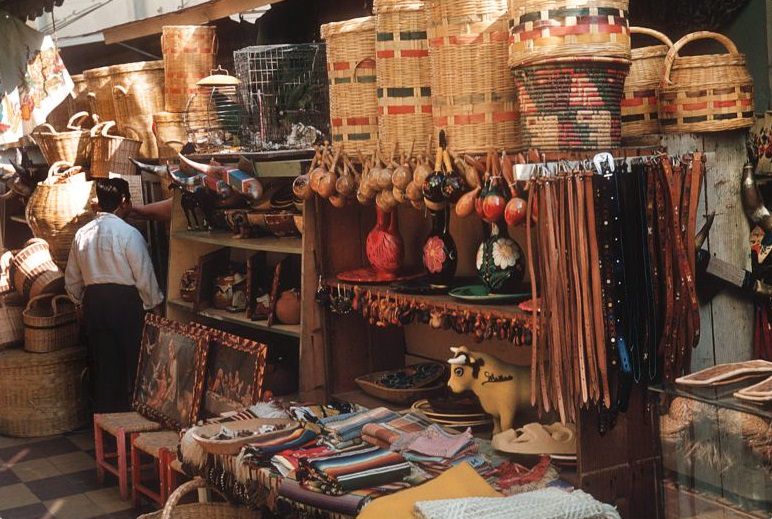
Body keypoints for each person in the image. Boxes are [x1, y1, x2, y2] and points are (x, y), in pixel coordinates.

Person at [65, 178, 164, 413]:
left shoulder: (82, 234)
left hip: (95, 304)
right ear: (124, 202)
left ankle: (108, 426)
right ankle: (134, 422)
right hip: (125, 304)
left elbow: (72, 279)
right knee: (134, 362)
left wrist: (79, 302)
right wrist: (154, 305)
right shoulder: (129, 234)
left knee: (104, 366)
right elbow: (144, 276)